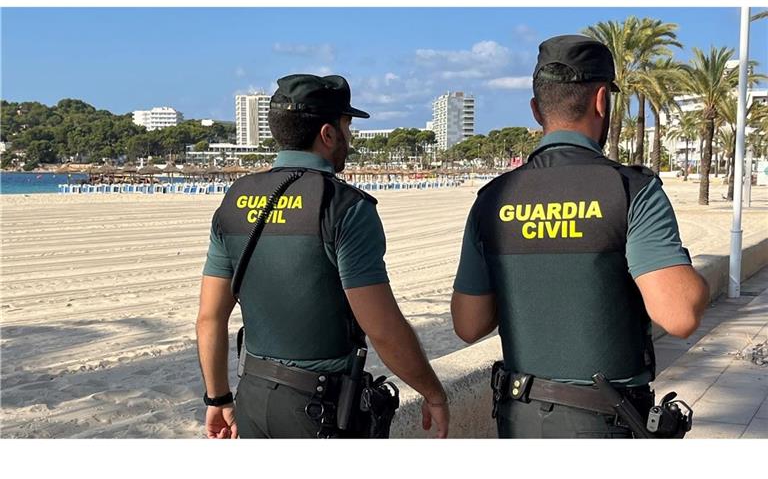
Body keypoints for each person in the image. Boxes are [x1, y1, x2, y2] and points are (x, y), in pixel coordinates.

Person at [450, 35, 709, 438]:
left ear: (537, 110)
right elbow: (680, 314)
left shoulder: (492, 199)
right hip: (605, 423)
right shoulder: (630, 190)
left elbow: (468, 324)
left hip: (519, 422)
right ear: (602, 100)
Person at [196, 74, 449, 439]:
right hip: (319, 409)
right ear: (328, 135)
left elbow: (209, 318)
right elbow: (382, 328)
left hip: (253, 396)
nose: (350, 138)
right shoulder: (344, 206)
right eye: (347, 127)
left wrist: (217, 398)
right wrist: (433, 393)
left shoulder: (235, 200)